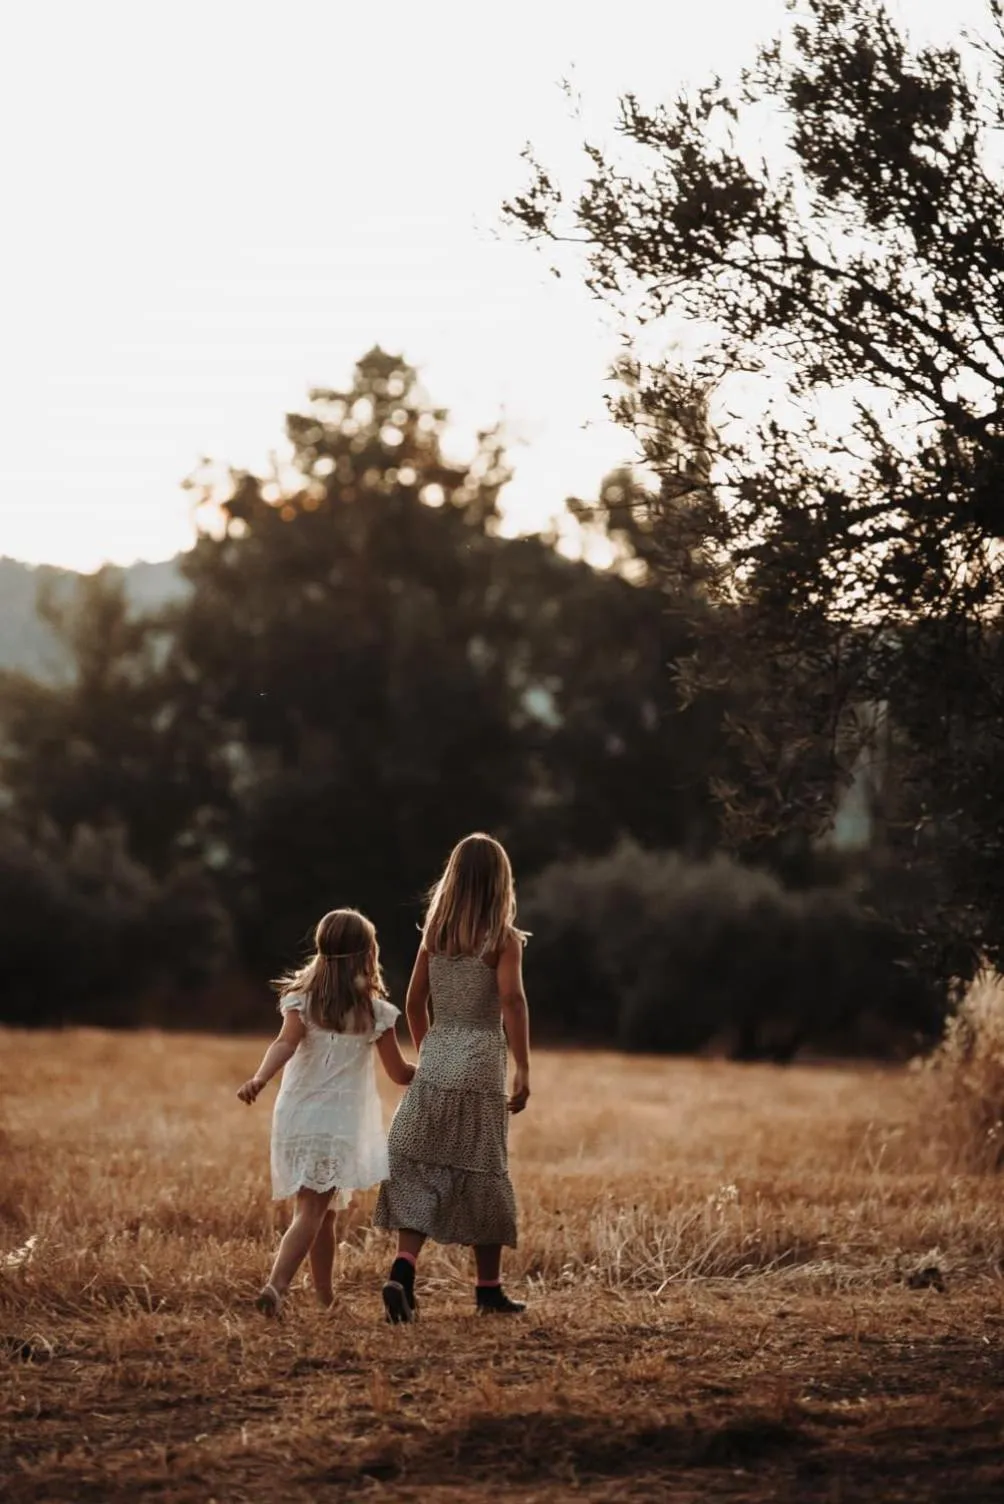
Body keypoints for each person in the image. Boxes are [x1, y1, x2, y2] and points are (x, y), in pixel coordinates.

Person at [374, 832, 531, 1321]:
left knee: (421, 1164)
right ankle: (488, 1290)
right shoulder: (502, 940)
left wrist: (431, 1051)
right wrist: (523, 1065)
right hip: (483, 1058)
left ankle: (403, 1269)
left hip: (441, 1053)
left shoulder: (435, 935)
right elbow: (512, 1001)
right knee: (482, 1168)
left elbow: (414, 1002)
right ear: (500, 883)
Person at [238, 907, 414, 1316]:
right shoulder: (375, 1013)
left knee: (324, 1212)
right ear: (367, 954)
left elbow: (283, 1044)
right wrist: (436, 1071)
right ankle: (276, 1287)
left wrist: (260, 1079)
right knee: (313, 1209)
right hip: (337, 1123)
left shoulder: (302, 1001)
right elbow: (399, 1072)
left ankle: (324, 1297)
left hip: (296, 1116)